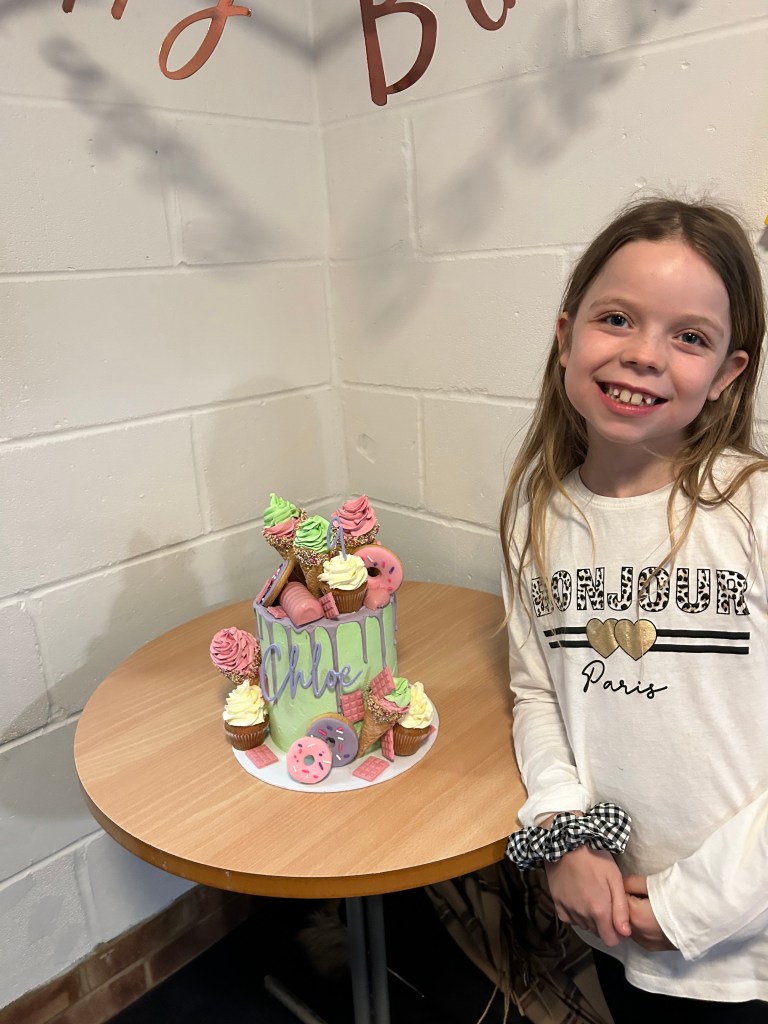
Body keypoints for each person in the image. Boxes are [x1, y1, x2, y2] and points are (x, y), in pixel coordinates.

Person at [499, 196, 768, 1023]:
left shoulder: (754, 507)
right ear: (566, 336)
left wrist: (699, 904)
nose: (645, 354)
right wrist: (563, 832)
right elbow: (538, 692)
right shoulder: (535, 516)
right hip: (621, 927)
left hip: (745, 948)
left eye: (690, 337)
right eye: (617, 319)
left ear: (726, 373)